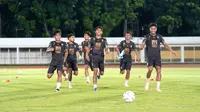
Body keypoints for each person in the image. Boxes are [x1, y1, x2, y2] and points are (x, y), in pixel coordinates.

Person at [140, 23, 176, 92]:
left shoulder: (159, 37)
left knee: (159, 71)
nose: (153, 29)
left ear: (156, 29)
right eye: (152, 28)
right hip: (150, 57)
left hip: (157, 57)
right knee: (150, 70)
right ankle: (147, 82)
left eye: (154, 28)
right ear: (150, 29)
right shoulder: (146, 37)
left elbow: (165, 45)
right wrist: (141, 47)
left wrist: (171, 50)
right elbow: (143, 44)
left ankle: (158, 88)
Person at [89, 26, 109, 91]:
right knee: (94, 71)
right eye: (97, 30)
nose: (98, 32)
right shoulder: (92, 39)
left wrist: (107, 50)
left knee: (102, 73)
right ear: (95, 31)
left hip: (101, 58)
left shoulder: (104, 40)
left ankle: (99, 73)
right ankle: (95, 87)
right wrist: (87, 54)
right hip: (94, 57)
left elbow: (106, 47)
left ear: (102, 32)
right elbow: (89, 47)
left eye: (100, 30)